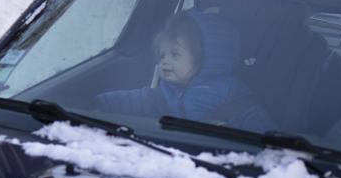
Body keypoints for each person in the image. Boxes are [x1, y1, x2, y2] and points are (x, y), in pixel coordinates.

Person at [95, 9, 270, 129]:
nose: (164, 62)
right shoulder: (165, 92)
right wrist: (95, 103)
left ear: (203, 58)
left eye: (175, 55)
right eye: (162, 55)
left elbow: (260, 127)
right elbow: (134, 100)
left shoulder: (230, 93)